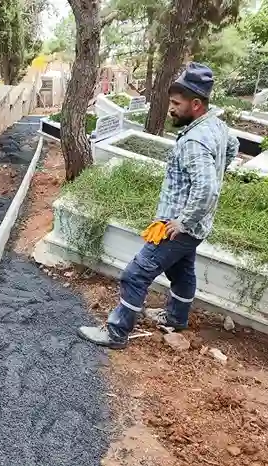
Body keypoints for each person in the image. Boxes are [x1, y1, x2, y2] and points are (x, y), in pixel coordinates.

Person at [78, 62, 240, 349]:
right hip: (197, 227)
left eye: (177, 104)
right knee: (182, 271)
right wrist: (217, 170)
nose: (171, 109)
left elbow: (207, 188)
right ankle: (176, 319)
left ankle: (116, 333)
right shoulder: (216, 125)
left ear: (196, 104)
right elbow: (233, 147)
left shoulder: (195, 140)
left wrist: (183, 221)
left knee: (136, 273)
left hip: (179, 227)